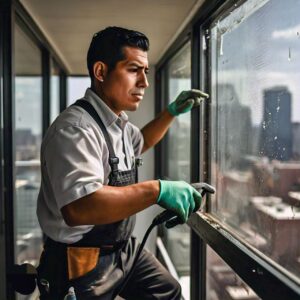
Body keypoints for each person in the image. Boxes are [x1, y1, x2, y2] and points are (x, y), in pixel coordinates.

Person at [36, 26, 209, 300]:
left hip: (122, 250)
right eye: (133, 70)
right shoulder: (76, 129)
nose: (144, 82)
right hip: (79, 261)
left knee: (169, 291)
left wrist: (171, 112)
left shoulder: (118, 124)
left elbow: (141, 141)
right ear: (101, 72)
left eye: (146, 72)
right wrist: (158, 190)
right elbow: (79, 208)